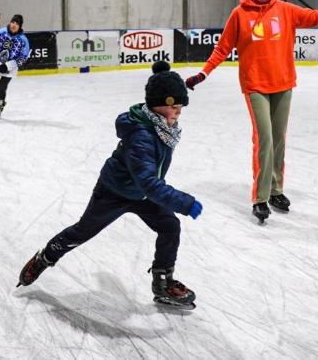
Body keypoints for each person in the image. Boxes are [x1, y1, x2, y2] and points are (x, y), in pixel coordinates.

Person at [17, 61, 203, 310]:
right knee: (82, 231)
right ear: (158, 106)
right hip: (114, 193)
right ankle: (45, 257)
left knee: (169, 226)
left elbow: (149, 181)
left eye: (181, 107)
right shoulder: (142, 136)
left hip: (142, 194)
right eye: (176, 107)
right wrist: (185, 202)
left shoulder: (162, 128)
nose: (179, 112)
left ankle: (163, 283)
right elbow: (149, 182)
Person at [183, 0, 318, 224]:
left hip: (284, 83)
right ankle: (260, 198)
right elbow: (222, 49)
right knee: (264, 139)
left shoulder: (285, 10)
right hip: (255, 85)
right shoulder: (239, 14)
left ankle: (276, 190)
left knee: (279, 140)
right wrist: (203, 73)